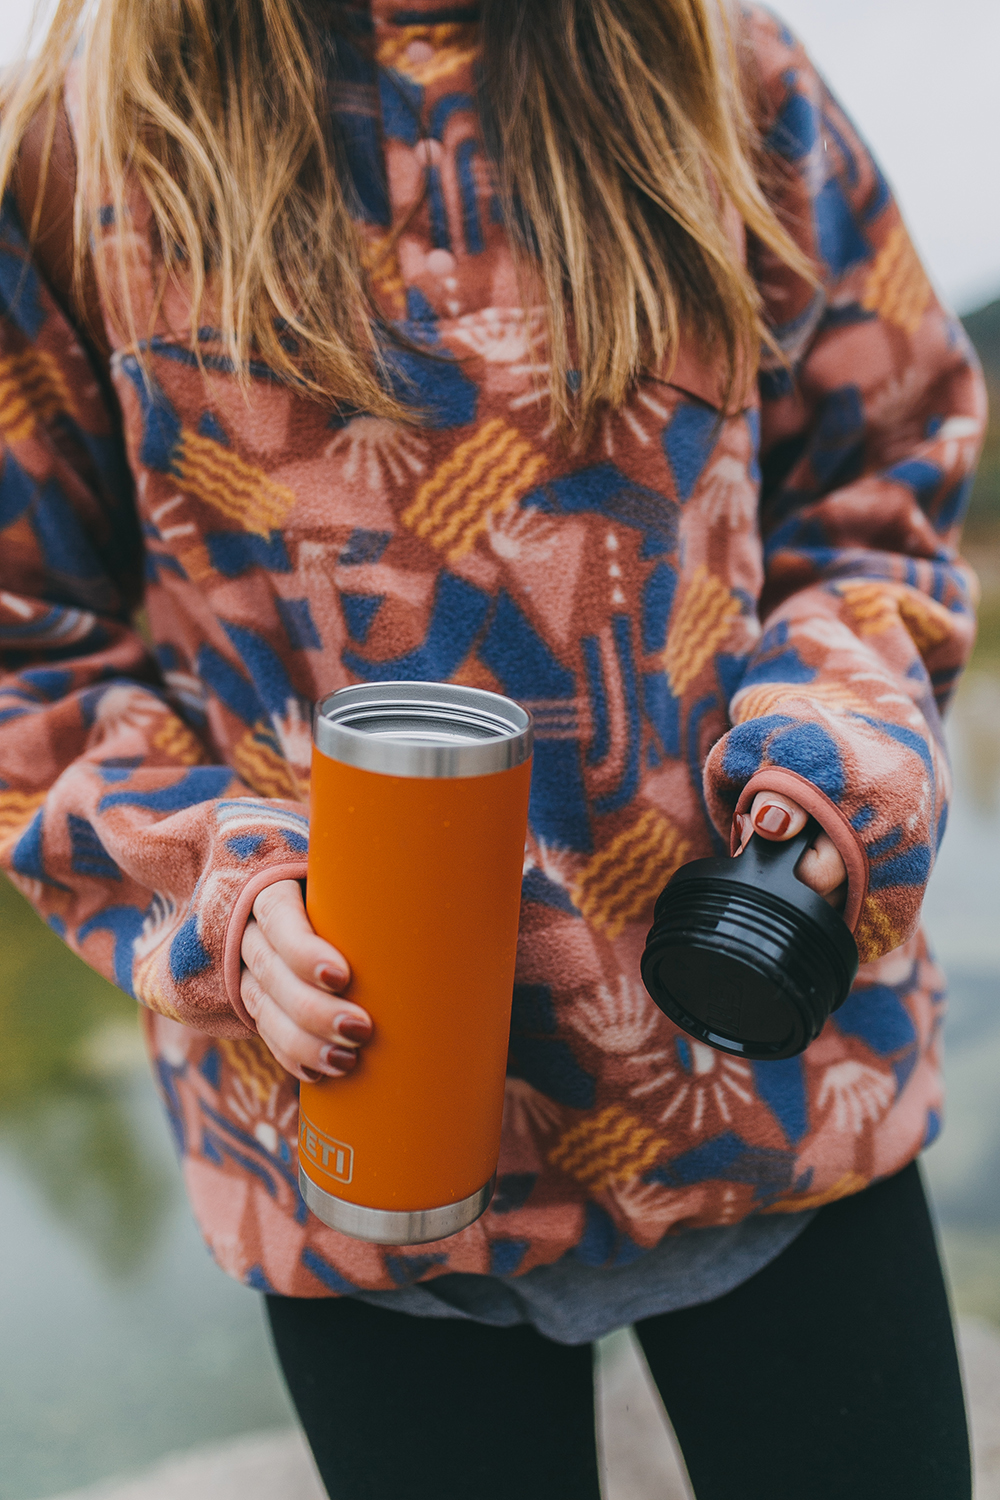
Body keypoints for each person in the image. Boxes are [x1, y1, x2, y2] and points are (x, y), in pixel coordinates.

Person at [0, 1, 984, 1495]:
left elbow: (876, 481)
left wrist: (833, 763)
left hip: (769, 1074)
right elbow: (27, 642)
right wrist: (225, 894)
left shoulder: (724, 65)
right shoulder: (87, 136)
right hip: (348, 1131)